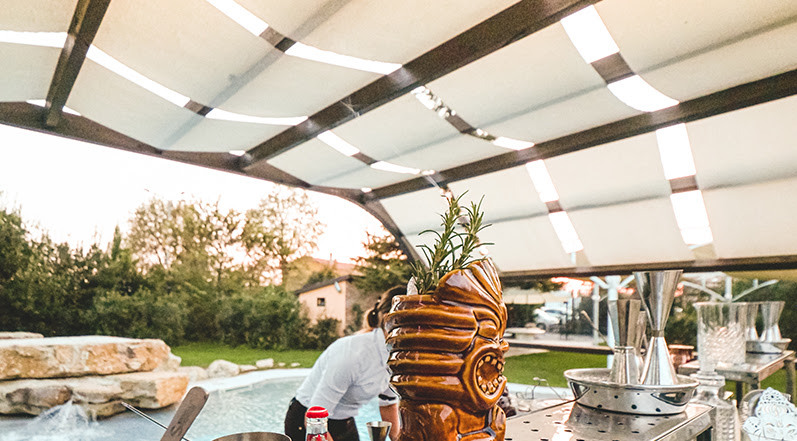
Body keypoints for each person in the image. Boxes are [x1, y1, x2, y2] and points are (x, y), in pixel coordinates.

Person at [284, 286, 405, 441]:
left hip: (344, 420)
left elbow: (387, 404)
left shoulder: (398, 355)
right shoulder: (353, 354)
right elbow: (314, 419)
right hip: (306, 419)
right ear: (390, 319)